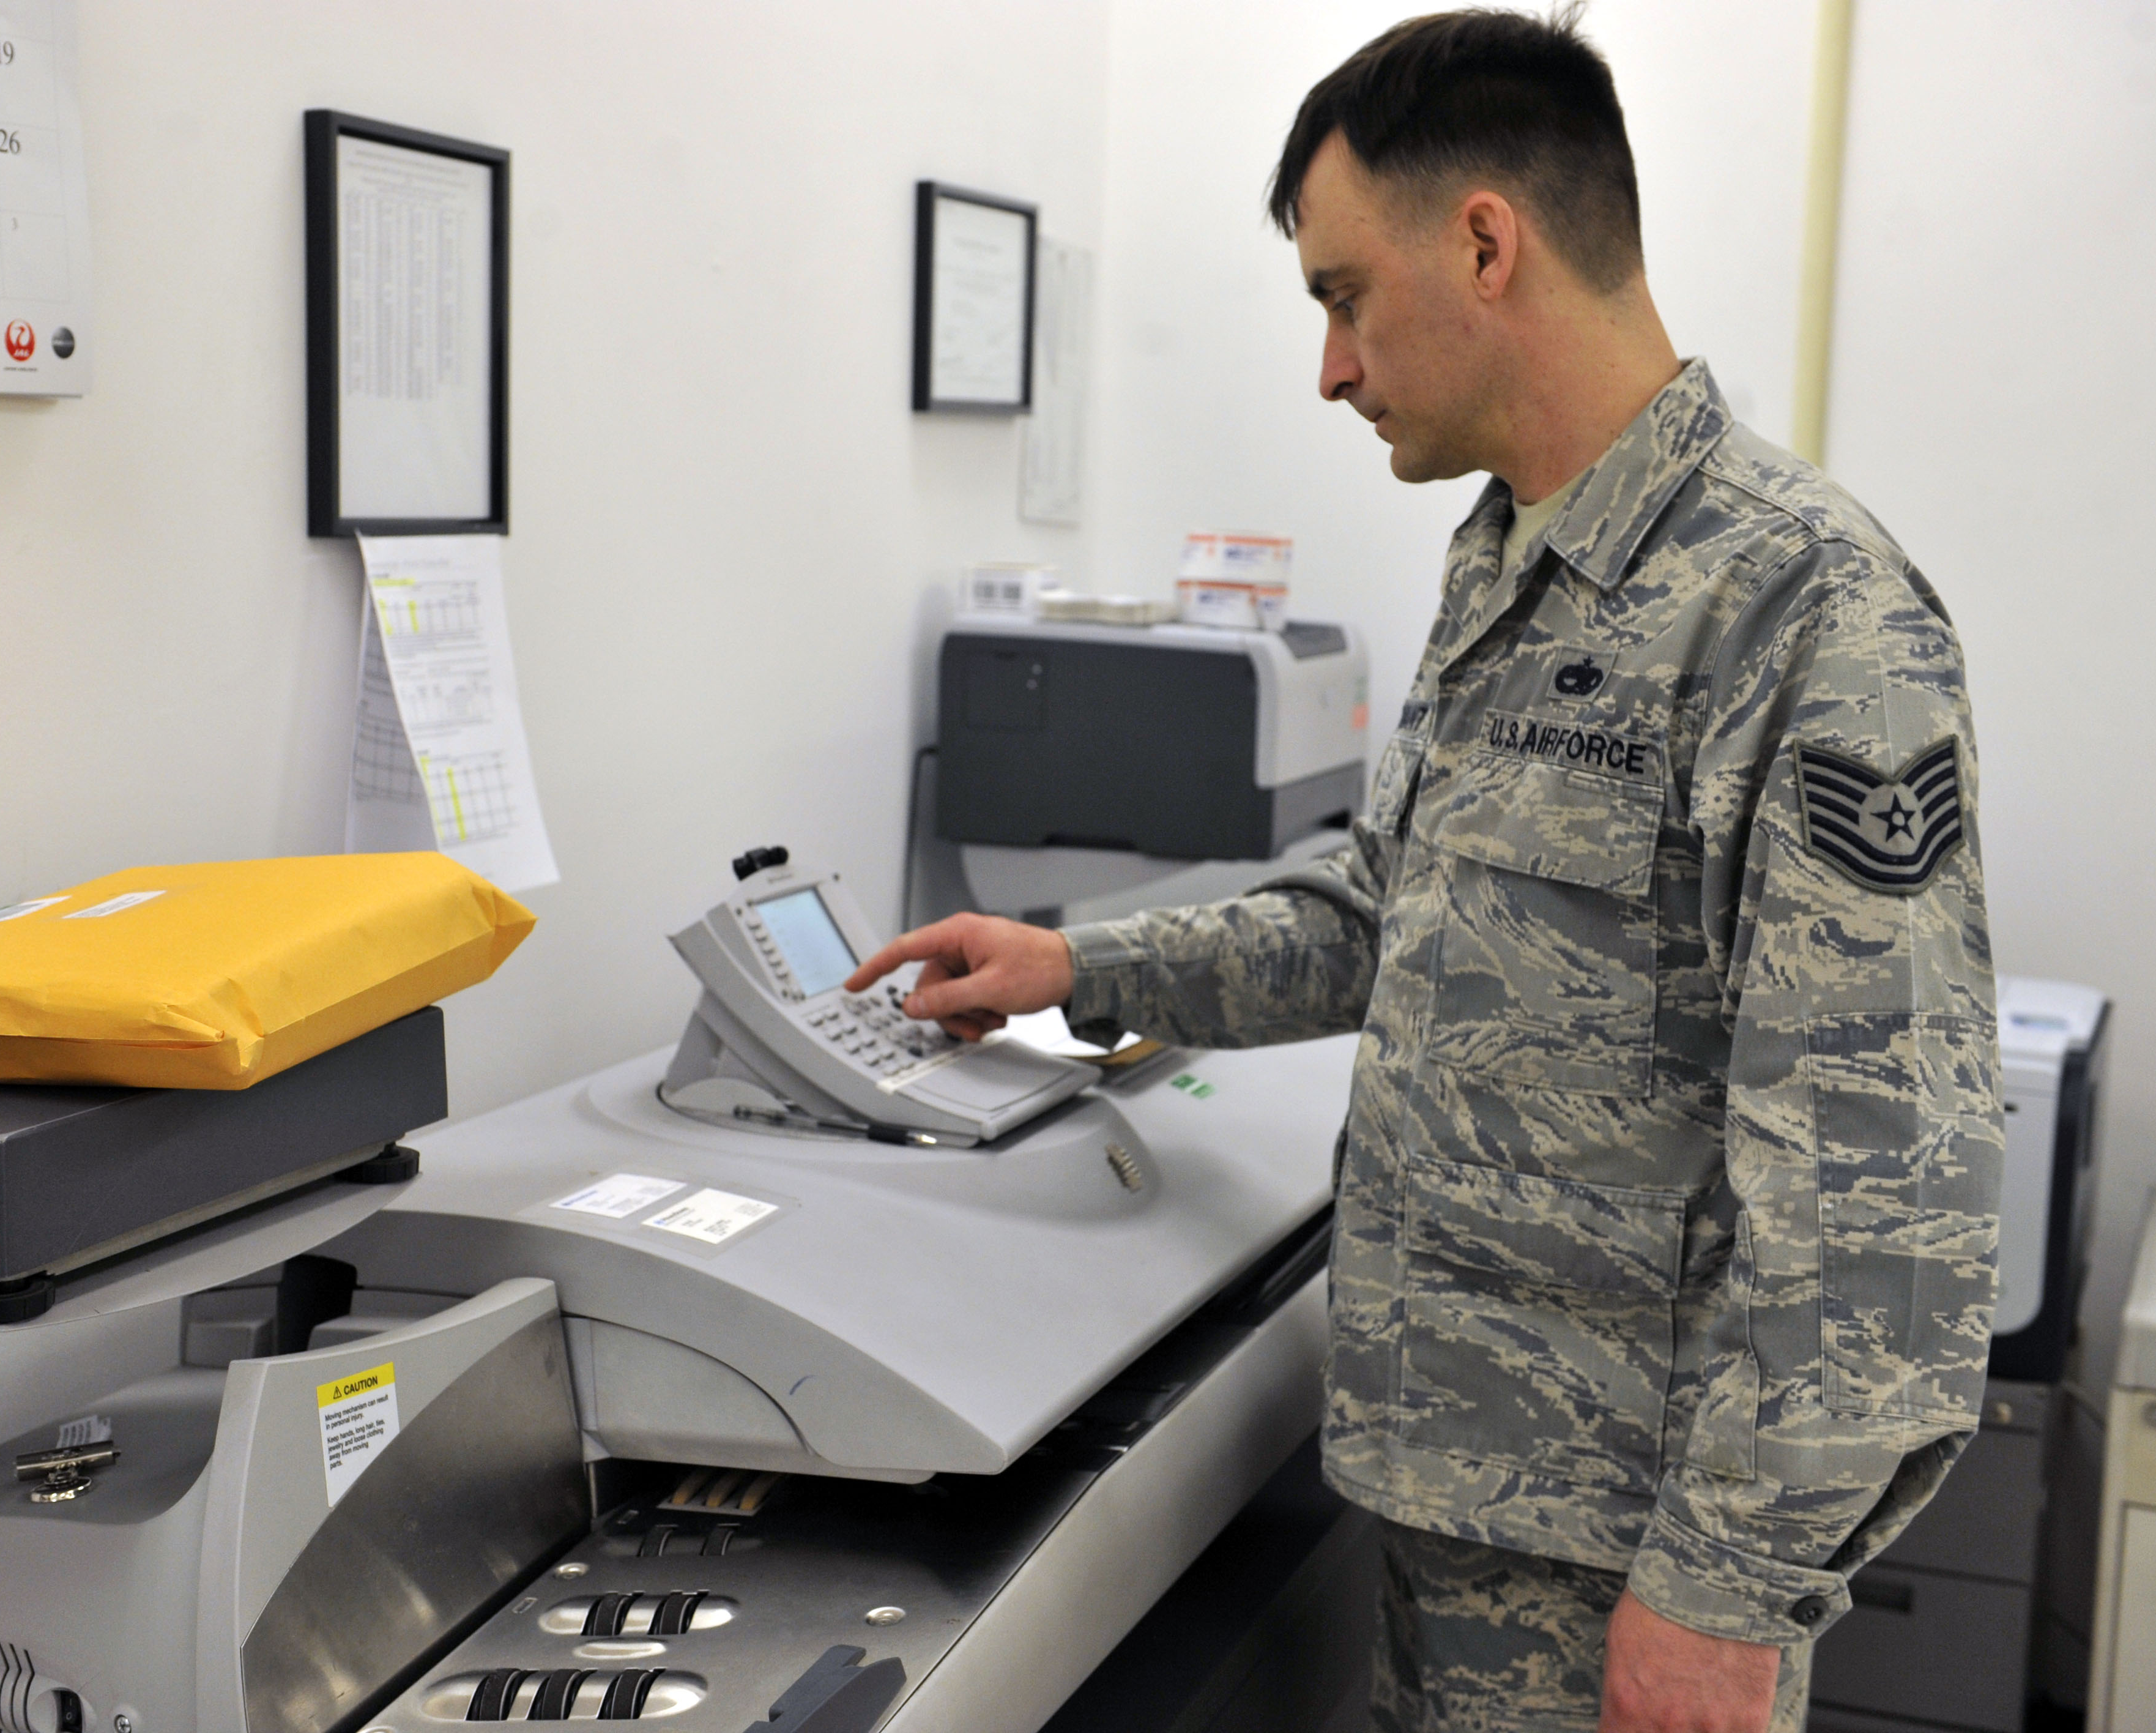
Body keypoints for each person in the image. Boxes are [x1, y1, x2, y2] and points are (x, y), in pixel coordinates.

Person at [846, 10, 2002, 1732]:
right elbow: (1383, 916)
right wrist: (1079, 968)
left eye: (1340, 296)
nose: (1330, 367)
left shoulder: (1807, 614)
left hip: (1636, 1571)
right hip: (1455, 1502)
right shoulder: (1507, 567)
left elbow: (1883, 1199)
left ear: (1484, 242)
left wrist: (1724, 1596)